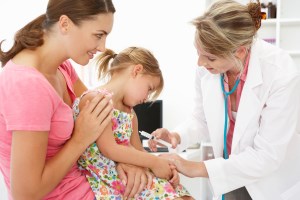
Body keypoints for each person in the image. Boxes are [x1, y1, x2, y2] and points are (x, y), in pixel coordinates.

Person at [0, 0, 154, 199]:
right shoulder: (28, 85)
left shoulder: (61, 68)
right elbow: (25, 194)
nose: (102, 47)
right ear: (65, 24)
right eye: (98, 35)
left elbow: (99, 119)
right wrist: (79, 139)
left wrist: (123, 160)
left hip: (87, 182)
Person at [148, 0, 300, 200]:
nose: (200, 63)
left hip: (271, 184)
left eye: (210, 58)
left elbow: (267, 156)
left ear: (240, 51)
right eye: (198, 53)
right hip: (229, 176)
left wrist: (193, 167)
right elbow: (201, 118)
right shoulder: (207, 69)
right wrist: (178, 135)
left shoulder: (280, 72)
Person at [73, 47, 193, 199]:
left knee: (182, 193)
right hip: (107, 178)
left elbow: (138, 150)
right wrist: (155, 163)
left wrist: (167, 168)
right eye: (149, 89)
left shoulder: (130, 113)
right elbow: (110, 149)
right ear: (136, 71)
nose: (146, 98)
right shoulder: (96, 100)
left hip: (128, 172)